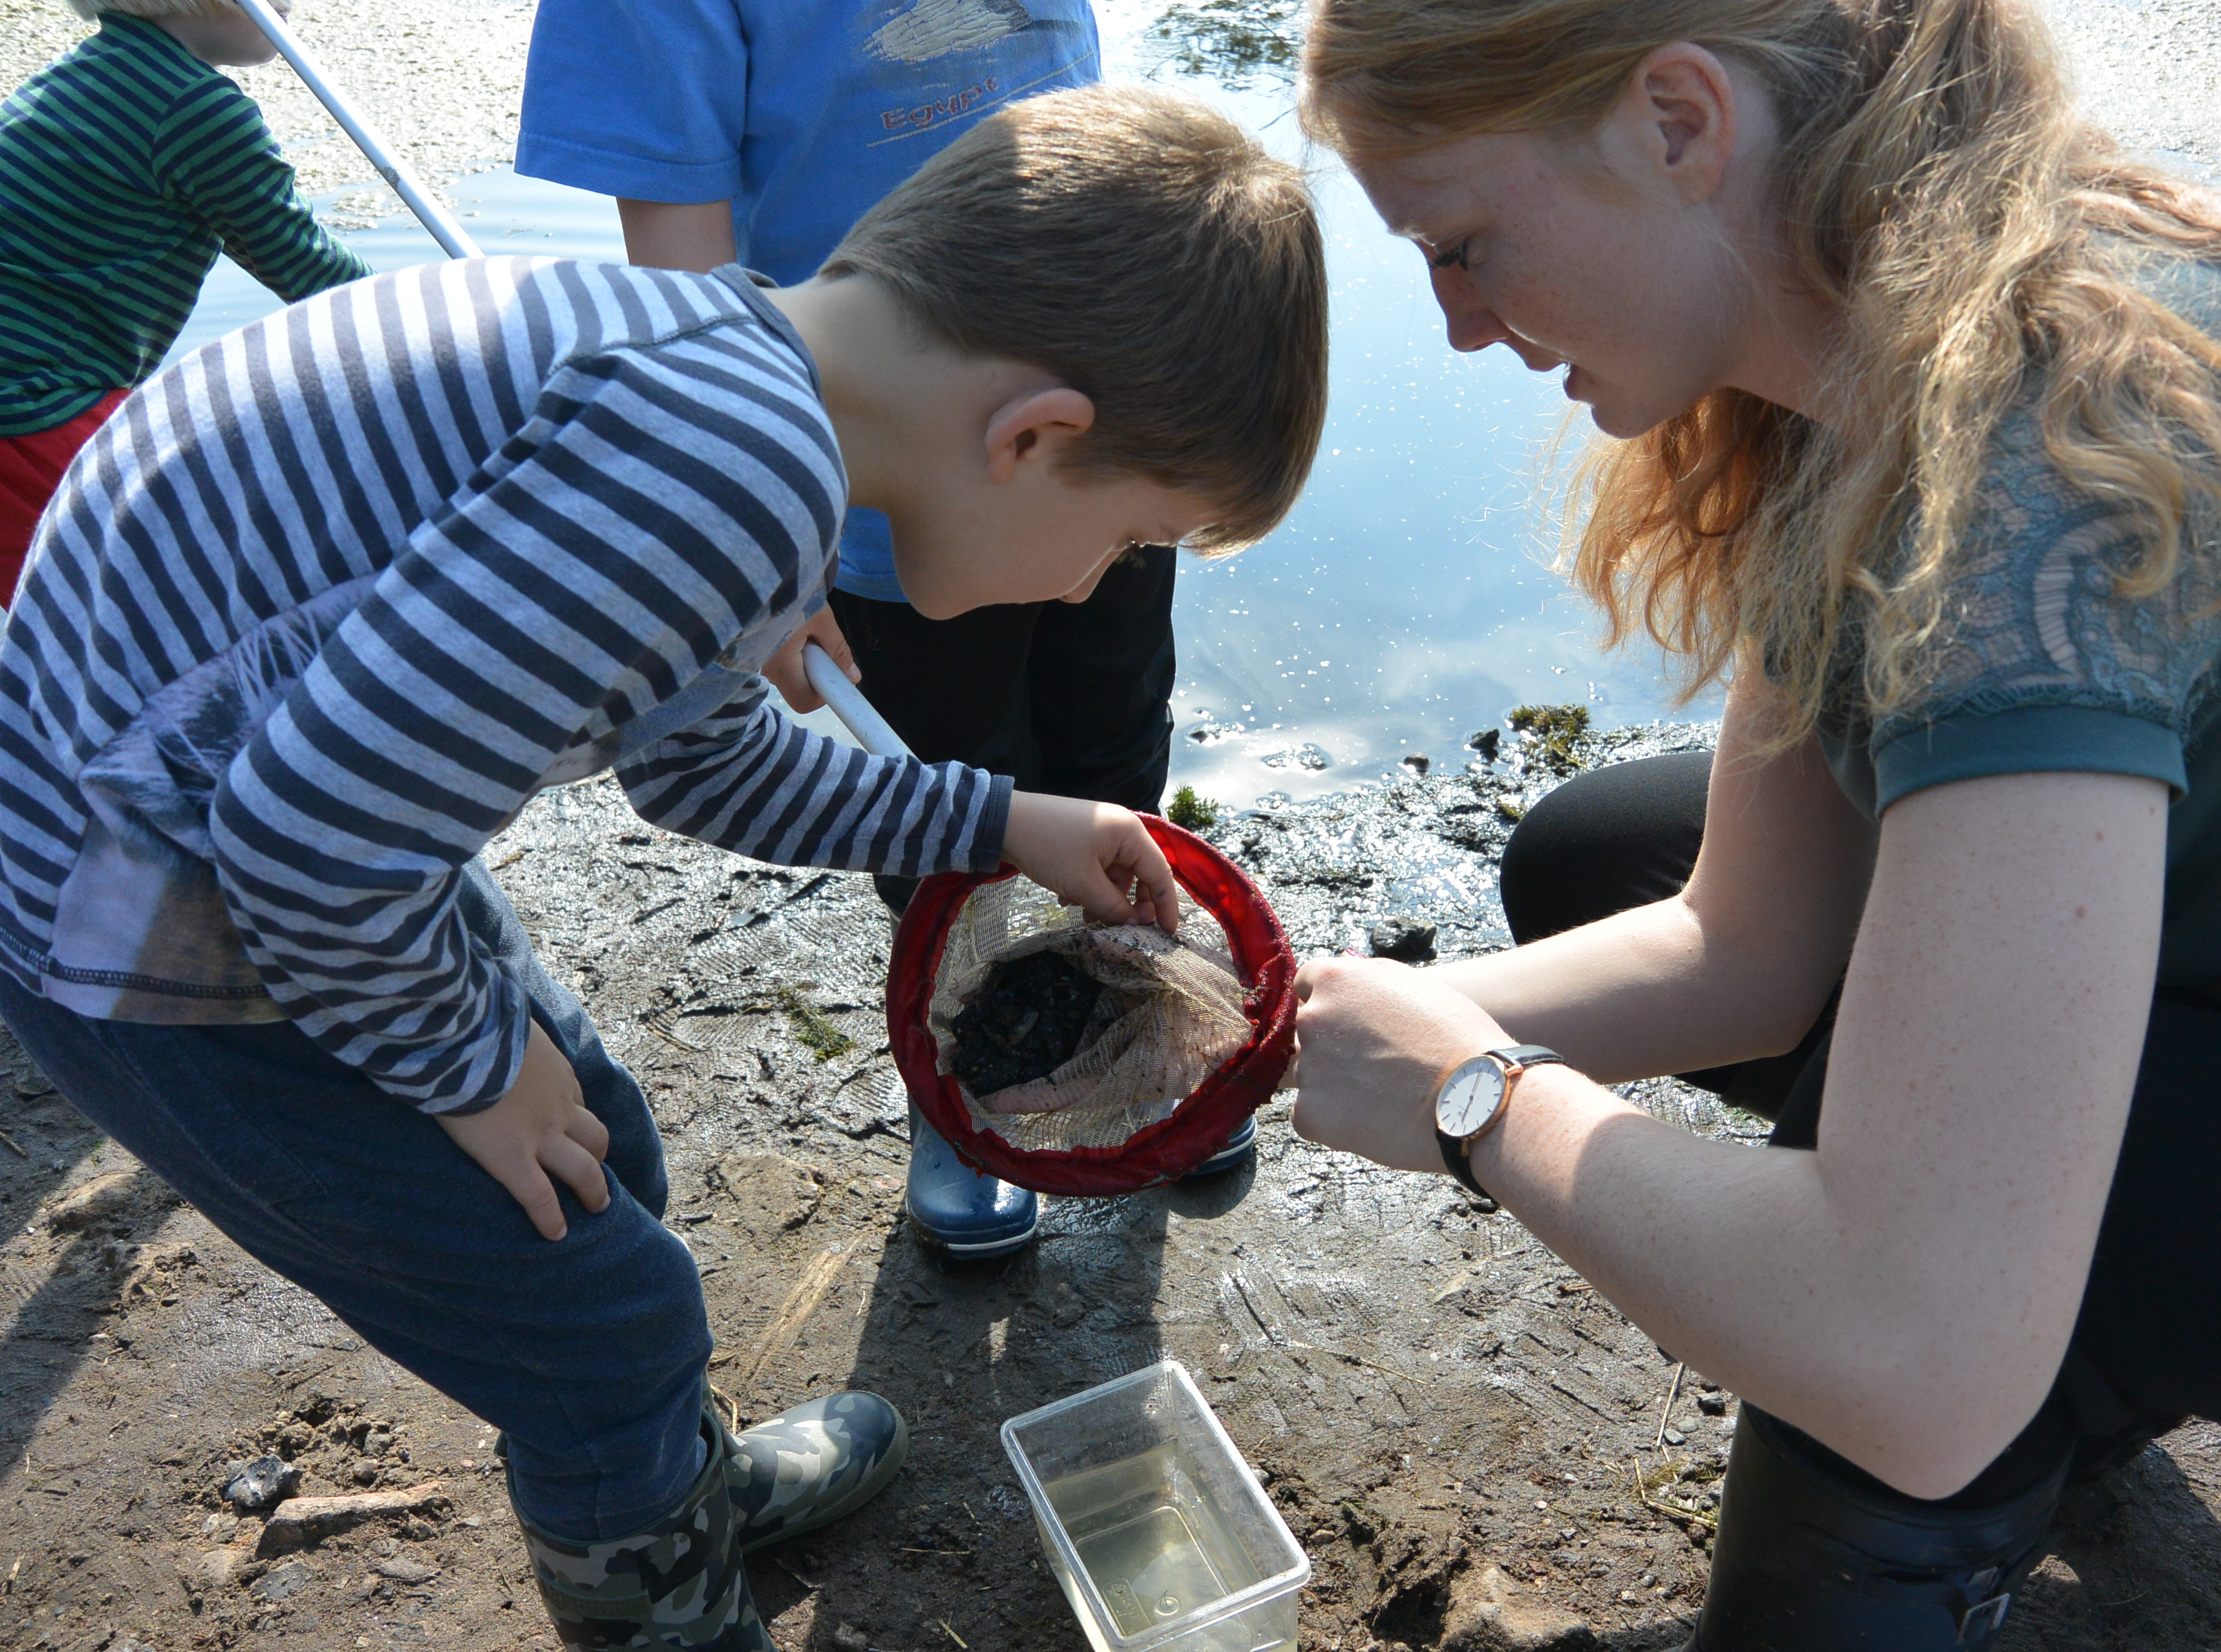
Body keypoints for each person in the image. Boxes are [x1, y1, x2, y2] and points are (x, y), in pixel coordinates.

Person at [0, 84, 1325, 1652]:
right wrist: (470, 1067)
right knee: (598, 1315)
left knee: (603, 1140)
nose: (1102, 582)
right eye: (1132, 540)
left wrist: (994, 819)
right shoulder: (724, 476)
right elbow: (305, 843)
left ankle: (666, 1490)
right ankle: (657, 1601)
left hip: (258, 813)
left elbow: (693, 763)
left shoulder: (726, 369)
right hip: (147, 902)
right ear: (1033, 436)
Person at [1285, 0, 2221, 1647]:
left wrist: (1475, 1101)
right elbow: (1743, 947)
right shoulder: (1879, 330)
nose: (1459, 324)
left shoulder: (2036, 484)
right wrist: (1276, 1030)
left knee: (1919, 1254)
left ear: (1679, 121)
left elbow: (1903, 1340)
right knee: (1595, 864)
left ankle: (2054, 1360)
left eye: (1465, 243)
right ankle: (2082, 1336)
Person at [514, 0, 1246, 1259]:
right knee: (944, 785)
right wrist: (766, 551)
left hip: (1112, 413)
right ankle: (972, 1072)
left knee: (1115, 741)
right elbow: (678, 266)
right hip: (889, 481)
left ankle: (1139, 1018)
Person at [0, 0, 368, 601]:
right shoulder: (193, 109)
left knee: (82, 616)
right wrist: (457, 317)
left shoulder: (99, 67)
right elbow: (310, 270)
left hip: (26, 394)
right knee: (194, 598)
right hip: (30, 406)